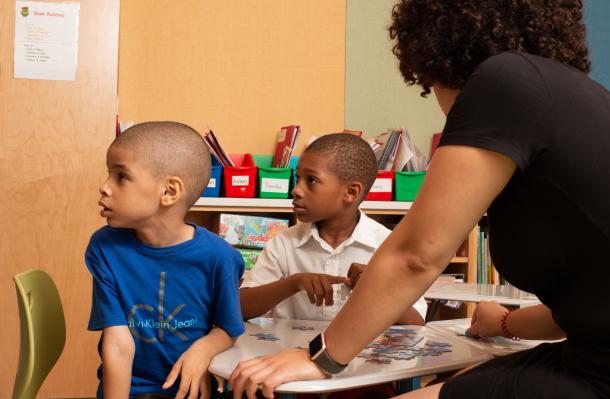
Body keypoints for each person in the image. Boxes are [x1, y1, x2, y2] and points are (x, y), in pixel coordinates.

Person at [228, 1, 610, 398]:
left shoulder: (503, 81)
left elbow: (417, 255)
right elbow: (586, 306)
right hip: (585, 353)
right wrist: (505, 325)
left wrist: (318, 359)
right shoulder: (584, 94)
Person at [85, 122, 245, 399]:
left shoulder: (220, 257)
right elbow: (118, 344)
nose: (104, 187)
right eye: (108, 174)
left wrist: (203, 349)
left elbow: (228, 328)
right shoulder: (104, 247)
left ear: (169, 192)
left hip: (190, 389)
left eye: (121, 176)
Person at [240, 133, 427, 325]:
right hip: (289, 353)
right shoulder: (284, 243)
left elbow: (416, 323)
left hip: (364, 354)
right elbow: (240, 308)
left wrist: (378, 286)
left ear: (351, 192)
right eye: (298, 178)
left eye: (311, 180)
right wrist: (294, 283)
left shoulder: (389, 246)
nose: (296, 190)